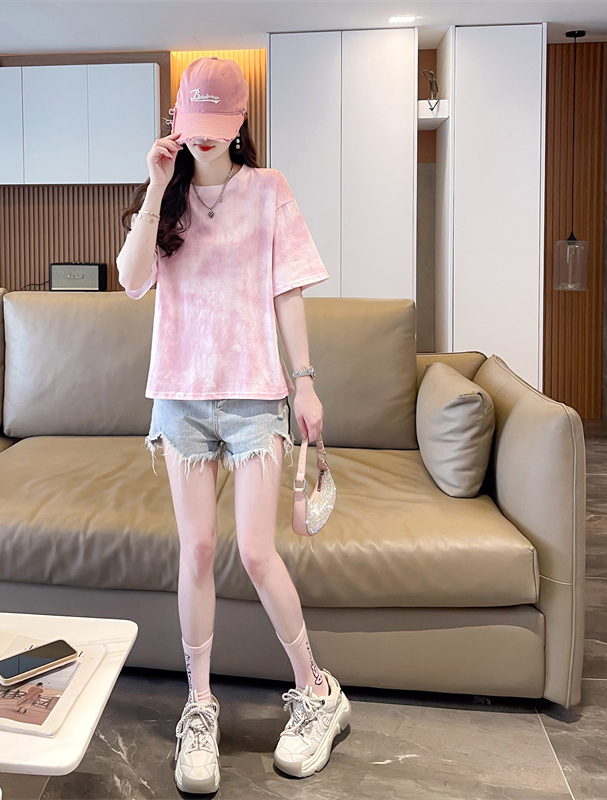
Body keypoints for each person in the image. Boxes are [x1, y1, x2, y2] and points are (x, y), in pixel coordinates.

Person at [116, 56, 350, 794]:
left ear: (241, 121)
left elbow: (287, 292)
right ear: (176, 120)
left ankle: (317, 690)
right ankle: (199, 705)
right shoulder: (166, 197)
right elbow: (131, 279)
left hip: (254, 397)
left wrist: (304, 382)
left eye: (219, 123)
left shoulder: (269, 190)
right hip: (180, 399)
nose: (206, 136)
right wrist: (155, 185)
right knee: (195, 550)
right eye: (195, 122)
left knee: (254, 550)